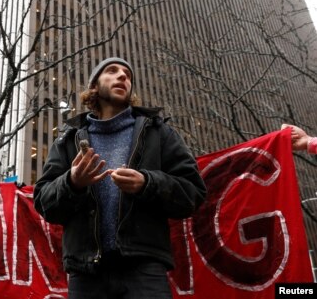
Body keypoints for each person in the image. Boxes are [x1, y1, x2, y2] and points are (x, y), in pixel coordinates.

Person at [33, 57, 206, 299]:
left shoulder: (159, 133)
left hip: (145, 270)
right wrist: (72, 183)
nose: (123, 77)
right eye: (112, 71)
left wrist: (147, 183)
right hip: (86, 274)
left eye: (127, 74)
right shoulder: (67, 140)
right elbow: (43, 202)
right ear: (94, 86)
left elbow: (193, 193)